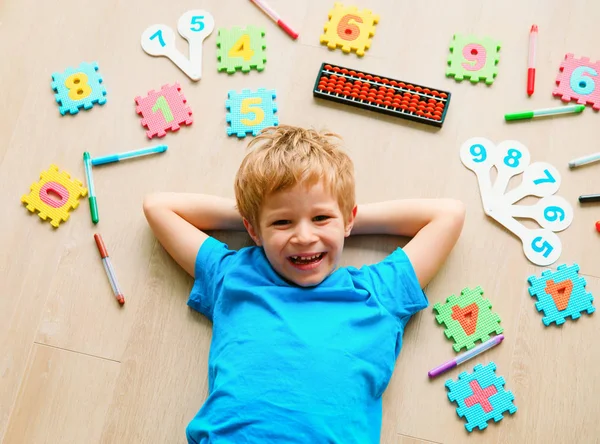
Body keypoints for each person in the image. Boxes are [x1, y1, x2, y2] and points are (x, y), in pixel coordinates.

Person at [143, 125, 465, 444]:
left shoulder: (375, 294)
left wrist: (341, 218)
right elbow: (159, 207)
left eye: (320, 219)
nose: (305, 237)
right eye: (282, 222)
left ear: (348, 218)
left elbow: (448, 215)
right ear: (253, 230)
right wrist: (259, 217)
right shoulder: (236, 275)